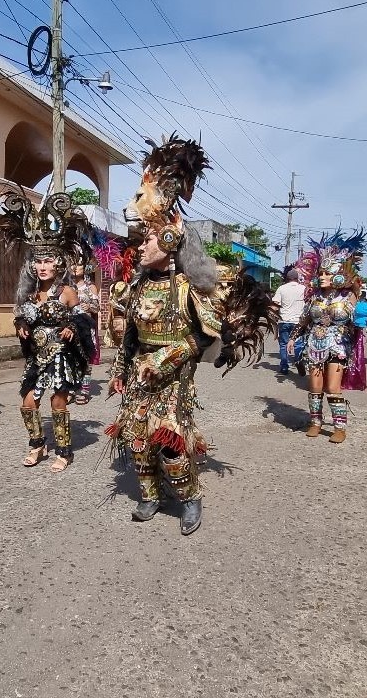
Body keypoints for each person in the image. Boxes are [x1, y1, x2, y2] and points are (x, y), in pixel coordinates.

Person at [106, 135, 276, 536]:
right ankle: (149, 497)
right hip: (138, 375)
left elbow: (203, 339)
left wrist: (161, 360)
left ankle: (189, 499)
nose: (141, 247)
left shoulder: (187, 288)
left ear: (167, 243)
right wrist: (121, 367)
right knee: (136, 439)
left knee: (168, 441)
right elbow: (129, 334)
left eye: (148, 240)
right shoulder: (135, 285)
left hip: (172, 378)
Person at [0, 189, 96, 472]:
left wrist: (71, 329)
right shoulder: (28, 296)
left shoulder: (67, 292)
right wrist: (21, 326)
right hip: (37, 359)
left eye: (48, 260)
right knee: (28, 403)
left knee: (57, 404)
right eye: (38, 261)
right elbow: (21, 318)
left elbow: (84, 320)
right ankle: (37, 443)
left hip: (61, 358)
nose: (42, 266)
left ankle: (64, 451)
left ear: (59, 263)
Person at [289, 229, 367, 444]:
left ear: (337, 276)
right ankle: (315, 422)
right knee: (314, 387)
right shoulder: (313, 298)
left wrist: (359, 314)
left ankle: (340, 427)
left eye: (326, 274)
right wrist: (293, 338)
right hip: (314, 344)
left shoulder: (348, 297)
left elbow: (357, 320)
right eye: (320, 274)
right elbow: (304, 320)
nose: (321, 277)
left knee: (332, 388)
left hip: (338, 346)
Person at [71, 261, 101, 404]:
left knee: (86, 359)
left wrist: (89, 305)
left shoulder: (91, 288)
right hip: (70, 327)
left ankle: (84, 390)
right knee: (70, 358)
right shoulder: (65, 288)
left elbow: (97, 308)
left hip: (86, 329)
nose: (75, 267)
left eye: (78, 264)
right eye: (72, 264)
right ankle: (70, 389)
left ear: (85, 268)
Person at [272, 268, 307, 374]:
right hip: (298, 322)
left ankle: (284, 366)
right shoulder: (304, 289)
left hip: (284, 320)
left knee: (283, 344)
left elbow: (275, 305)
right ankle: (298, 360)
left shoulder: (281, 289)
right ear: (297, 278)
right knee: (298, 344)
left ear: (287, 278)